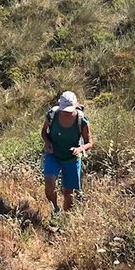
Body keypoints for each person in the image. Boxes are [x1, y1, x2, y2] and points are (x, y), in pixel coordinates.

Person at [40, 90, 93, 225]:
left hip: (71, 159)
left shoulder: (81, 120)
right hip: (53, 155)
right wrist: (47, 142)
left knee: (68, 194)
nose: (66, 113)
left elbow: (89, 142)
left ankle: (65, 222)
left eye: (69, 110)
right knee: (49, 187)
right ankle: (56, 209)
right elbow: (44, 132)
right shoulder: (52, 114)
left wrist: (80, 148)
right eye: (64, 110)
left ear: (76, 105)